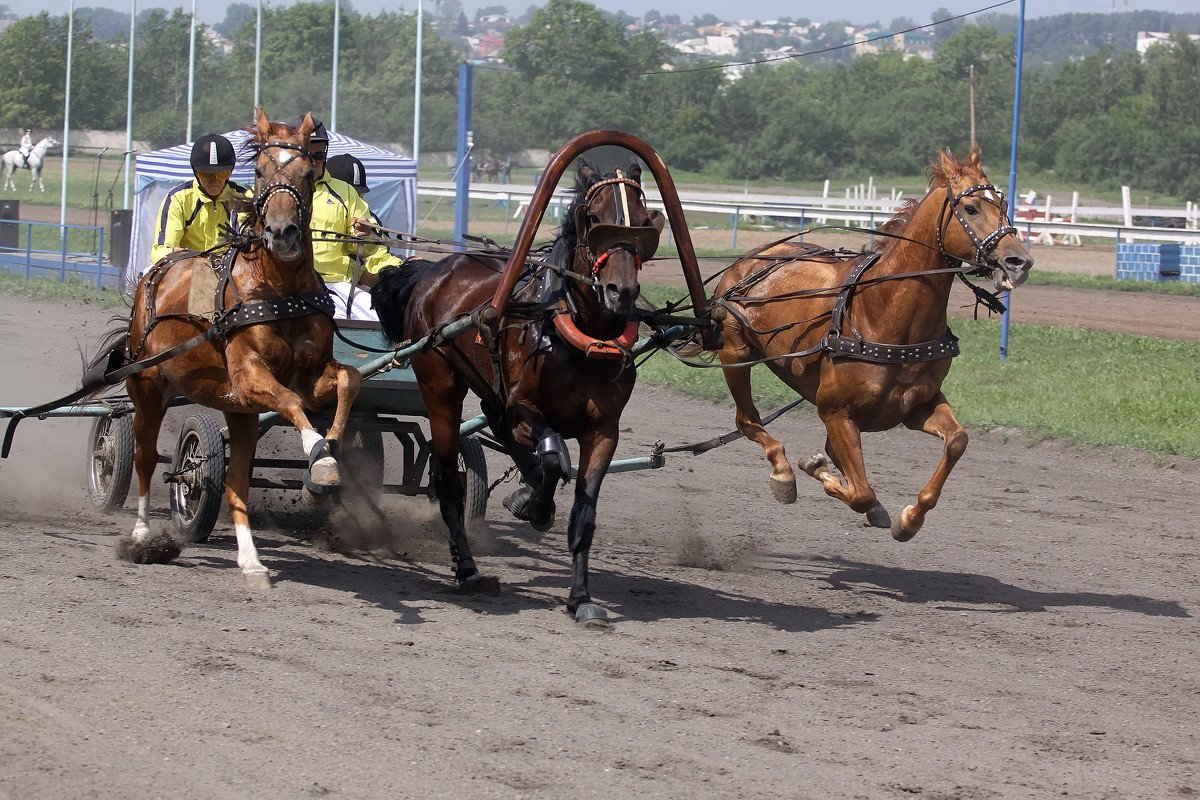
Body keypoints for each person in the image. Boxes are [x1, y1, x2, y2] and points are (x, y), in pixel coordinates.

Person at [288, 116, 402, 321]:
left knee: (380, 319)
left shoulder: (346, 193)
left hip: (335, 286)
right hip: (287, 286)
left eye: (319, 156)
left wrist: (364, 235)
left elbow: (372, 250)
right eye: (306, 155)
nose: (313, 162)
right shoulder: (276, 191)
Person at [149, 133, 245, 267]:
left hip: (232, 268)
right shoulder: (178, 199)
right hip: (187, 267)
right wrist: (171, 253)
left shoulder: (243, 198)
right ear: (195, 172)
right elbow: (160, 251)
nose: (214, 181)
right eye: (206, 175)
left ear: (230, 172)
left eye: (222, 174)